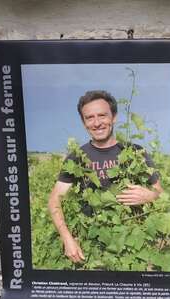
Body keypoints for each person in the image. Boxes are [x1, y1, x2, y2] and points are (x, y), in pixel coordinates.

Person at [48, 90, 163, 263]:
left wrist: (151, 196)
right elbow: (54, 199)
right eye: (89, 117)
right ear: (83, 122)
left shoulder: (135, 153)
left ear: (114, 117)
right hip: (90, 250)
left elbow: (160, 193)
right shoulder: (76, 158)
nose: (97, 123)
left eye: (102, 115)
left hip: (132, 249)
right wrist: (67, 238)